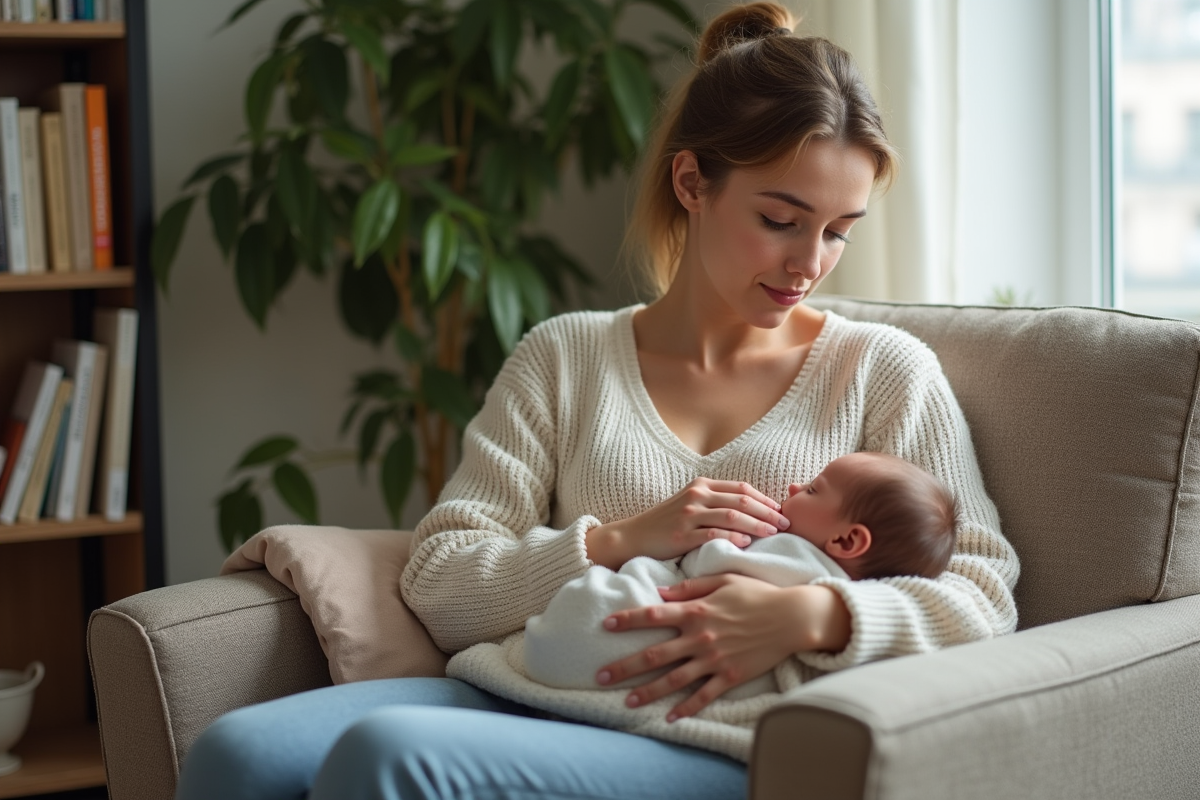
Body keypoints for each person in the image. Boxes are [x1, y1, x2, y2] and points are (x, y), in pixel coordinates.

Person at [175, 3, 1019, 799]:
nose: (809, 262)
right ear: (692, 182)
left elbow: (986, 590)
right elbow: (439, 582)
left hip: (716, 729)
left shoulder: (882, 370)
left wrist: (816, 614)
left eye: (838, 231)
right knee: (236, 753)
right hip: (525, 691)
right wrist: (622, 539)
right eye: (780, 218)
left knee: (388, 757)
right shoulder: (564, 356)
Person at [519, 452, 959, 700]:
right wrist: (619, 539)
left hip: (587, 650)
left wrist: (815, 613)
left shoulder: (791, 554)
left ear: (846, 542)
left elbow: (707, 566)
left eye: (811, 489)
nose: (791, 488)